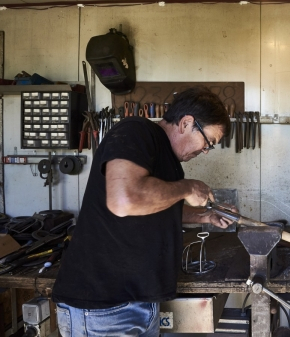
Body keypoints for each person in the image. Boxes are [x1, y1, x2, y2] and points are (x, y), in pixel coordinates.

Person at [52, 87, 235, 336]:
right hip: (103, 309)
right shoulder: (136, 131)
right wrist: (187, 187)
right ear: (186, 123)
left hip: (140, 302)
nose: (204, 152)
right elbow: (124, 200)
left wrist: (204, 216)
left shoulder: (169, 162)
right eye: (208, 143)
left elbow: (152, 207)